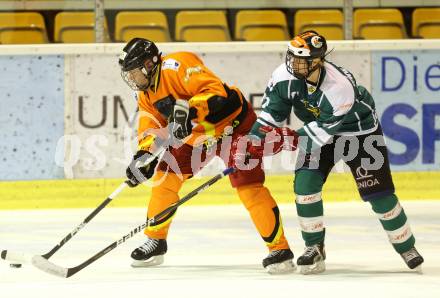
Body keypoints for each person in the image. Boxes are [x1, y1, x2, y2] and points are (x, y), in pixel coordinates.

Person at [231, 31, 424, 274]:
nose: (293, 63)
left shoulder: (339, 87)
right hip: (318, 130)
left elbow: (318, 135)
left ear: (317, 61)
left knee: (379, 195)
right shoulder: (283, 76)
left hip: (358, 132)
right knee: (305, 186)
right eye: (291, 56)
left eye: (301, 59)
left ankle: (406, 246)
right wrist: (252, 143)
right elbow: (271, 116)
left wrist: (283, 140)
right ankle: (314, 249)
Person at [118, 37, 295, 274]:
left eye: (134, 72)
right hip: (198, 137)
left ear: (149, 64)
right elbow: (150, 126)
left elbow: (216, 93)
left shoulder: (178, 64)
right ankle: (156, 240)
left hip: (235, 126)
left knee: (248, 187)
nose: (132, 78)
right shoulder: (145, 93)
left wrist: (191, 110)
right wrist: (144, 155)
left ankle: (279, 249)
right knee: (164, 178)